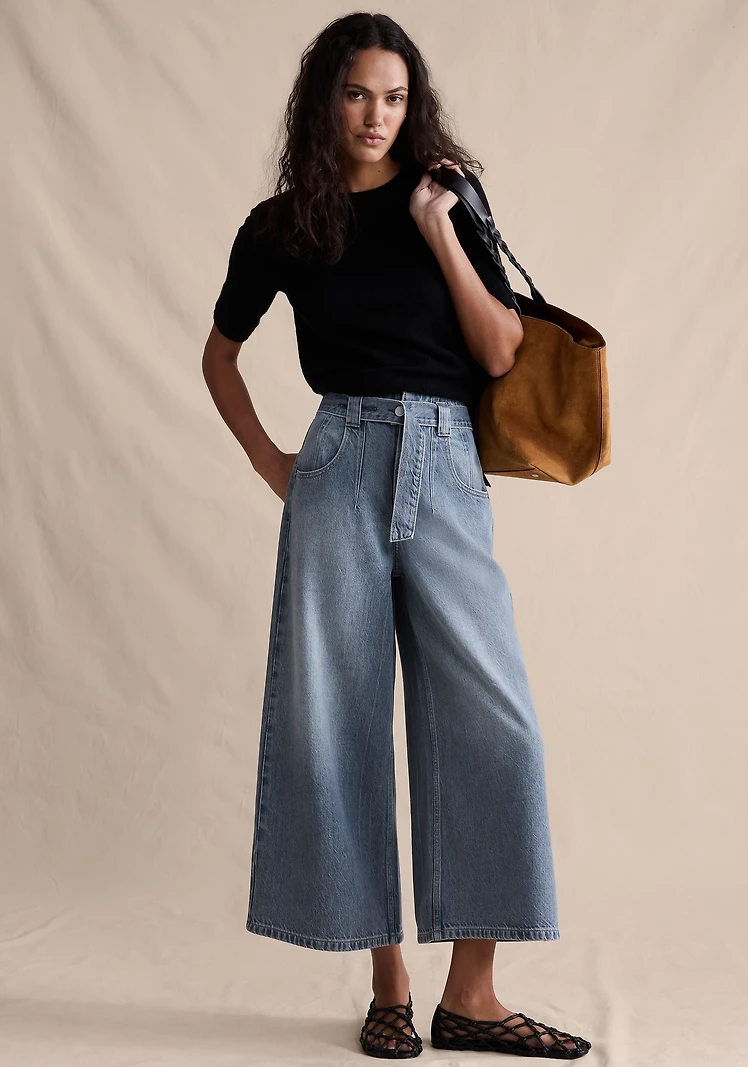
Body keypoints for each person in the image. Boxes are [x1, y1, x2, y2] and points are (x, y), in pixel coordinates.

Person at [202, 11, 592, 1061]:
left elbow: (501, 351)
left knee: (496, 721)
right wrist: (271, 460)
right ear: (323, 102)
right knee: (340, 722)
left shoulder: (448, 198)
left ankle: (473, 994)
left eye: (394, 96)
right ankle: (388, 984)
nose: (375, 115)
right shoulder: (282, 225)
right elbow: (218, 356)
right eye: (356, 94)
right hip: (338, 462)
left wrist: (437, 229)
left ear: (411, 106)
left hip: (447, 462)